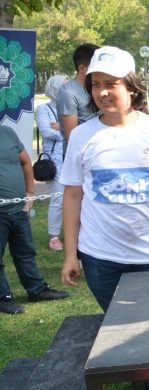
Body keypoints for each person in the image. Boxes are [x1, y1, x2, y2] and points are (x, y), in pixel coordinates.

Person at [59, 47, 149, 390]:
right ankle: (143, 381)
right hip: (100, 259)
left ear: (132, 87)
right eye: (96, 85)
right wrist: (71, 254)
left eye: (111, 84)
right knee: (123, 329)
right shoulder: (82, 135)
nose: (103, 92)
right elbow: (72, 195)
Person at [0, 125, 70, 315]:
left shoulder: (7, 132)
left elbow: (24, 162)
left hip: (18, 210)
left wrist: (29, 194)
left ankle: (37, 290)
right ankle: (3, 297)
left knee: (25, 253)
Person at [36, 74, 69, 250]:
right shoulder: (44, 109)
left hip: (72, 159)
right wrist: (67, 131)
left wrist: (60, 127)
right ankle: (54, 236)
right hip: (54, 162)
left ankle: (75, 232)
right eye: (64, 86)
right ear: (55, 89)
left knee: (76, 197)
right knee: (58, 199)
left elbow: (80, 129)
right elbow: (46, 131)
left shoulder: (71, 108)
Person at [56, 43, 99, 155]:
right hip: (79, 155)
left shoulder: (96, 88)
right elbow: (72, 136)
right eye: (96, 66)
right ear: (81, 68)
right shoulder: (68, 93)